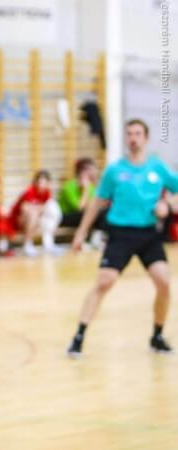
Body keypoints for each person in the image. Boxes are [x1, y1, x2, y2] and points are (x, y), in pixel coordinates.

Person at [67, 119, 178, 358]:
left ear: (146, 138)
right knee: (104, 281)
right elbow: (97, 202)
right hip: (121, 234)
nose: (133, 138)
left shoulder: (157, 168)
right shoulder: (115, 170)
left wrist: (167, 204)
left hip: (148, 234)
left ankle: (157, 336)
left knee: (164, 282)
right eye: (129, 134)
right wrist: (81, 233)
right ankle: (79, 336)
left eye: (137, 133)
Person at [9, 170, 62, 256]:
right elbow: (24, 209)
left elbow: (43, 208)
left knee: (49, 215)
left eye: (44, 182)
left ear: (48, 183)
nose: (41, 185)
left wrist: (38, 209)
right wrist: (37, 209)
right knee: (33, 215)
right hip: (17, 219)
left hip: (33, 218)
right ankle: (27, 244)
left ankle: (49, 244)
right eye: (40, 182)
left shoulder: (47, 193)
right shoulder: (30, 191)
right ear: (36, 182)